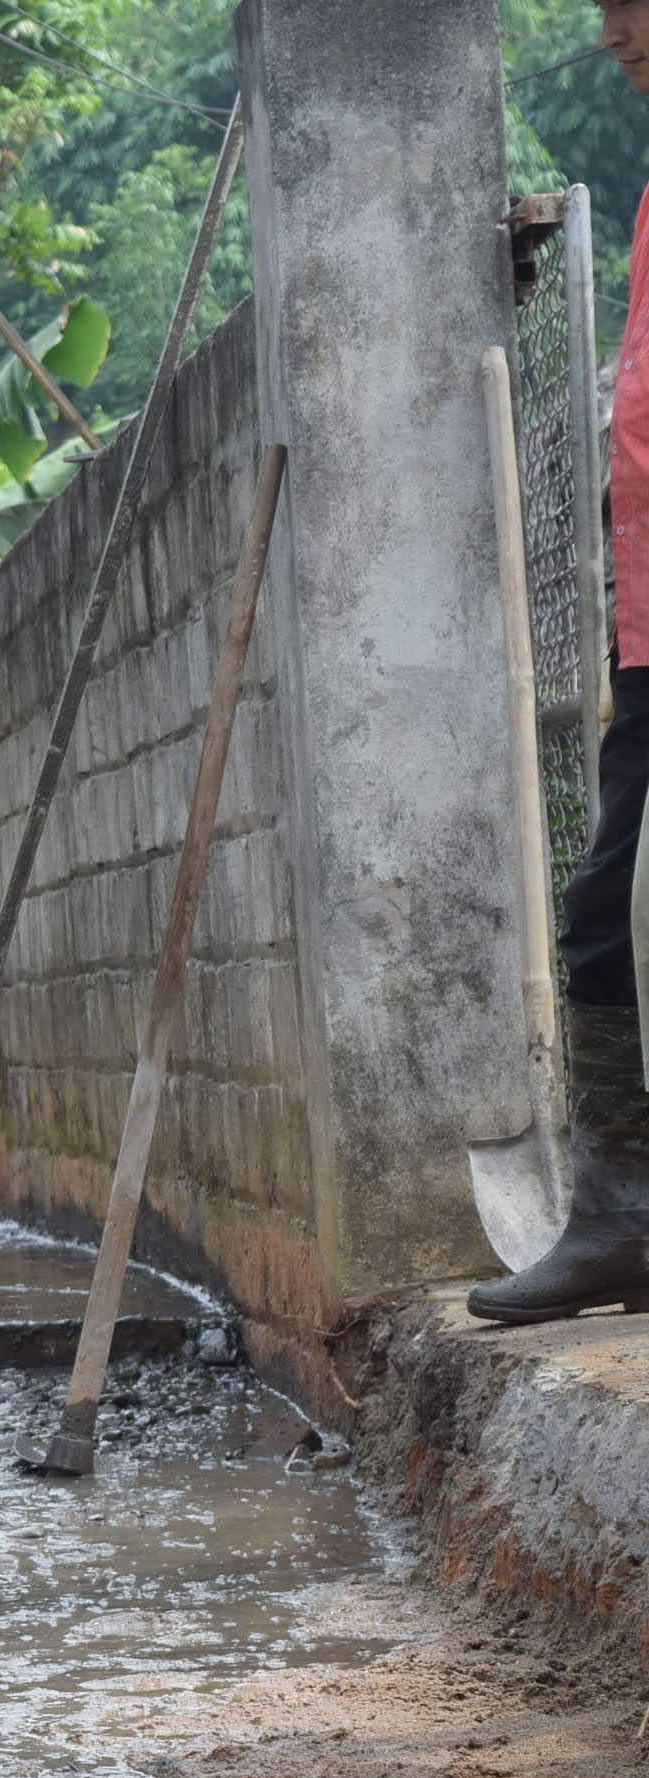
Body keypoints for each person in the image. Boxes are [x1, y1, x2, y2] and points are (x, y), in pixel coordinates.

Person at [473, 0, 649, 1322]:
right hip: (645, 631)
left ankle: (617, 1219)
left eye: (627, 9)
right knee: (605, 922)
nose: (611, 37)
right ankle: (622, 1214)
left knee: (600, 921)